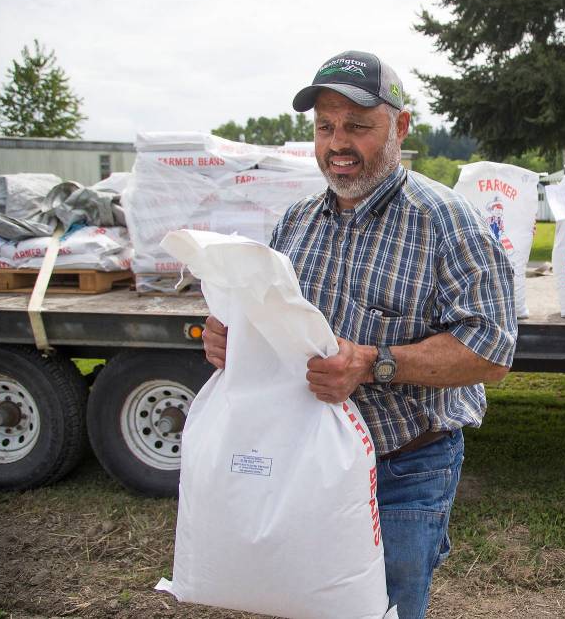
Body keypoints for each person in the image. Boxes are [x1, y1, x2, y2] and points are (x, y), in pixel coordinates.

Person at [202, 50, 518, 619]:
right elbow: (275, 323)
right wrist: (232, 336)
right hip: (303, 459)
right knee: (304, 601)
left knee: (386, 609)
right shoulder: (296, 222)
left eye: (357, 126)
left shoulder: (447, 222)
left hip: (401, 471)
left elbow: (492, 350)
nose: (337, 143)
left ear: (399, 126)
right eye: (325, 126)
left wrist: (373, 363)